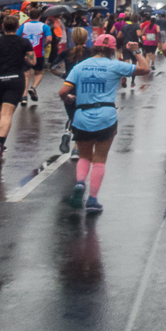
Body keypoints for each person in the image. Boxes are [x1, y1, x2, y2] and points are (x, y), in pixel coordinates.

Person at [59, 34, 150, 213]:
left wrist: (69, 98)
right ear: (111, 50)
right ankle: (92, 200)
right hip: (106, 116)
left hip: (82, 115)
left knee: (84, 156)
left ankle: (79, 183)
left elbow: (63, 91)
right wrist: (136, 51)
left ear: (95, 46)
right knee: (99, 159)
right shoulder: (115, 65)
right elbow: (145, 69)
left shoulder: (80, 66)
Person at [0, 13, 36, 164]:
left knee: (0, 110)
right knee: (7, 113)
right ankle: (0, 144)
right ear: (18, 27)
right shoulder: (24, 42)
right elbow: (33, 62)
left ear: (2, 26)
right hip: (15, 79)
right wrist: (25, 57)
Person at [20, 6, 53, 102]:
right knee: (39, 73)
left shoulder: (23, 25)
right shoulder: (44, 26)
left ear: (29, 15)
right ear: (40, 16)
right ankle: (33, 87)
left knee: (26, 75)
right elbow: (49, 39)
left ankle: (24, 96)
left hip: (26, 54)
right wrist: (44, 45)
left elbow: (17, 37)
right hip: (38, 53)